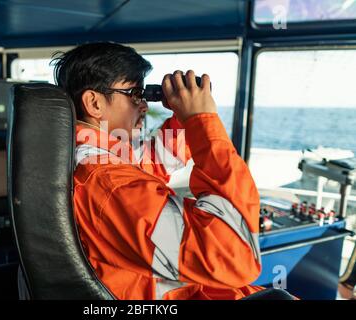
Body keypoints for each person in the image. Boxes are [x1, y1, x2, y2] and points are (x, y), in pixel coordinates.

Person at [52, 42, 264, 300]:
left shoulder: (96, 158)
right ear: (94, 103)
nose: (143, 106)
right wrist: (202, 120)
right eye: (134, 94)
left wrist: (186, 116)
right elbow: (232, 256)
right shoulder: (107, 182)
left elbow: (156, 160)